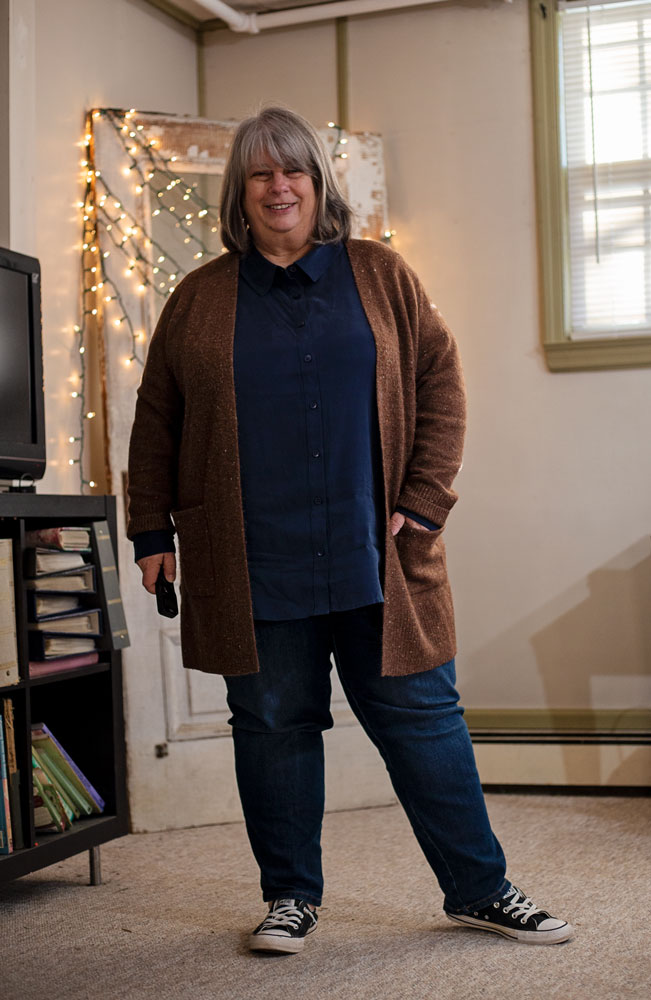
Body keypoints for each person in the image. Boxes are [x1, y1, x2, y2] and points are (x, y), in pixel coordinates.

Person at [126, 106, 572, 954]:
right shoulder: (199, 298)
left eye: (292, 169)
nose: (278, 187)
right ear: (240, 192)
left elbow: (441, 382)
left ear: (317, 183)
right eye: (260, 173)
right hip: (255, 557)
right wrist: (150, 531)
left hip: (379, 553)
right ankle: (290, 898)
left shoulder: (380, 273)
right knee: (272, 727)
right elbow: (157, 420)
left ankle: (480, 889)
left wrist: (426, 498)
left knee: (424, 719)